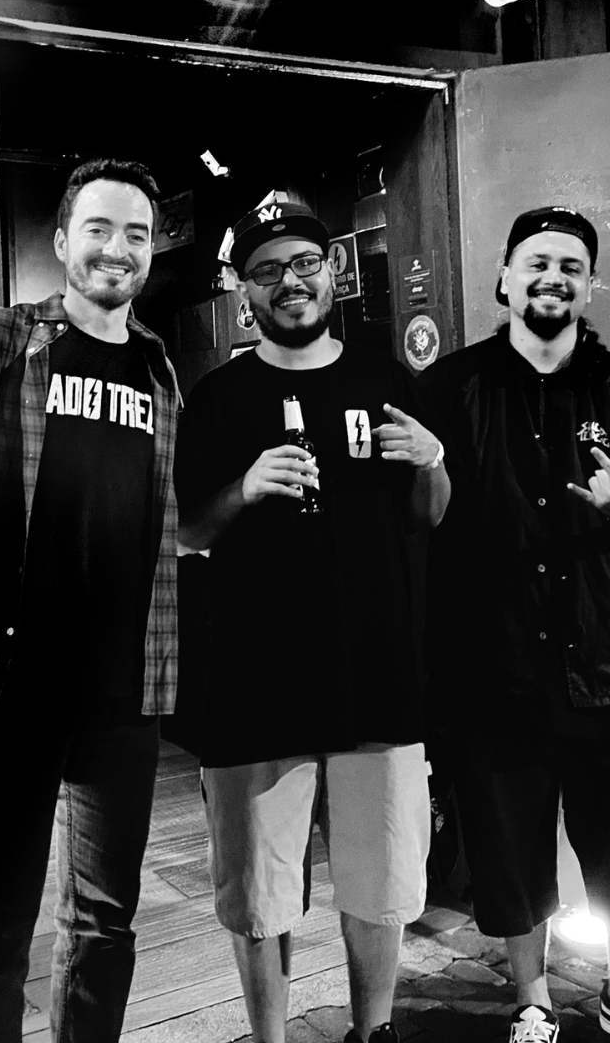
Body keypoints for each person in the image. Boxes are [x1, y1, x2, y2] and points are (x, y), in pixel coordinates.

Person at [424, 206, 610, 1043]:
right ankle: (532, 1000)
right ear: (505, 277)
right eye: (537, 262)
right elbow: (413, 532)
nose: (553, 276)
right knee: (509, 855)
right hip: (495, 671)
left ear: (589, 286)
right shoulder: (448, 391)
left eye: (571, 265)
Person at [173, 200, 450, 1043]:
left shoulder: (384, 380)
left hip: (377, 670)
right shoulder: (216, 398)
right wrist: (243, 490)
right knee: (257, 892)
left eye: (303, 263)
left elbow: (428, 514)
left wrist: (432, 461)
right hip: (253, 676)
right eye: (267, 270)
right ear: (243, 292)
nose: (288, 282)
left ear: (332, 271)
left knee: (383, 879)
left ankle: (375, 1031)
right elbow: (186, 531)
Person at [0, 158, 180, 1043]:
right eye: (99, 228)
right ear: (63, 240)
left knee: (104, 931)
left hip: (122, 697)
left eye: (137, 234)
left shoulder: (159, 370)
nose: (117, 248)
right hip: (4, 688)